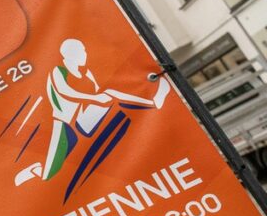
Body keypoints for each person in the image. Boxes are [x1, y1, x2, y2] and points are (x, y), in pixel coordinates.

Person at [16, 39, 170, 201]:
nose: (85, 54)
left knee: (111, 94)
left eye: (84, 50)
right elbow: (66, 92)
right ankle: (36, 171)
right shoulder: (58, 71)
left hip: (84, 119)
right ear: (69, 54)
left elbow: (98, 91)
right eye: (82, 51)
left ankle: (153, 102)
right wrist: (94, 99)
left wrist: (99, 101)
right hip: (65, 124)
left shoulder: (86, 73)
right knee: (50, 174)